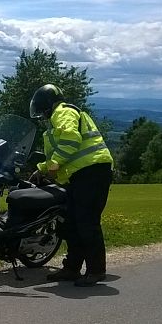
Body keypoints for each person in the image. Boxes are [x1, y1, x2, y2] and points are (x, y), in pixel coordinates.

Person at [29, 84, 114, 287]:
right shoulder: (56, 120)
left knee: (87, 222)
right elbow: (58, 154)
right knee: (72, 224)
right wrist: (42, 169)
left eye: (42, 109)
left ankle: (96, 270)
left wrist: (54, 163)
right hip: (81, 175)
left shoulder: (64, 112)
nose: (41, 114)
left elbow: (70, 139)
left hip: (93, 172)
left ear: (48, 105)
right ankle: (72, 269)